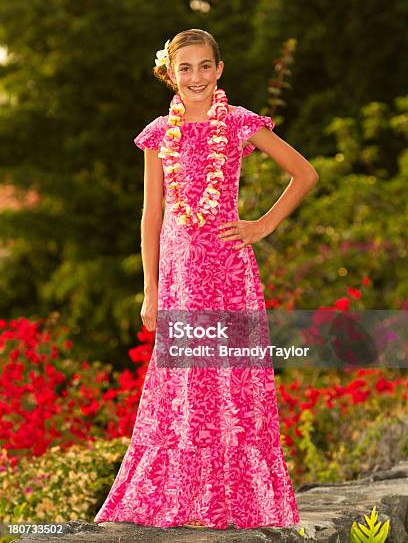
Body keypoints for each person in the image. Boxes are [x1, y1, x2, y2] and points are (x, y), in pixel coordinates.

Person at [94, 28, 318, 530]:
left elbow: (304, 173)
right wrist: (151, 289)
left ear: (219, 70)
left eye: (204, 66)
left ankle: (239, 502)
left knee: (234, 379)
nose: (195, 77)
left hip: (229, 271)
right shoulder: (158, 133)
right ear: (170, 75)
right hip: (178, 274)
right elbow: (151, 216)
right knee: (183, 383)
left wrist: (263, 224)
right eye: (185, 68)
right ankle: (179, 500)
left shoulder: (238, 124)